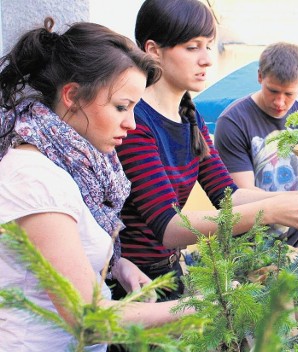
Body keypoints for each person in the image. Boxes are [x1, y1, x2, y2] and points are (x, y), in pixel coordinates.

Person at [113, 0, 298, 301]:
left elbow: (229, 195)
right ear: (154, 50)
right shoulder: (136, 121)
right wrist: (273, 210)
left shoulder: (190, 116)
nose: (207, 59)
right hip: (133, 281)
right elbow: (169, 227)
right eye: (192, 47)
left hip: (172, 272)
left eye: (209, 46)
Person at [0, 18, 193, 351]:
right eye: (121, 107)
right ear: (73, 95)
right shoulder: (35, 178)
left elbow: (69, 246)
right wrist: (195, 308)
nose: (131, 123)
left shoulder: (76, 166)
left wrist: (119, 266)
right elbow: (88, 320)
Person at [214, 42, 298, 247]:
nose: (280, 102)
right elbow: (242, 196)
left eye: (289, 94)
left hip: (295, 245)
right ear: (260, 76)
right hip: (246, 248)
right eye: (273, 91)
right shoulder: (233, 122)